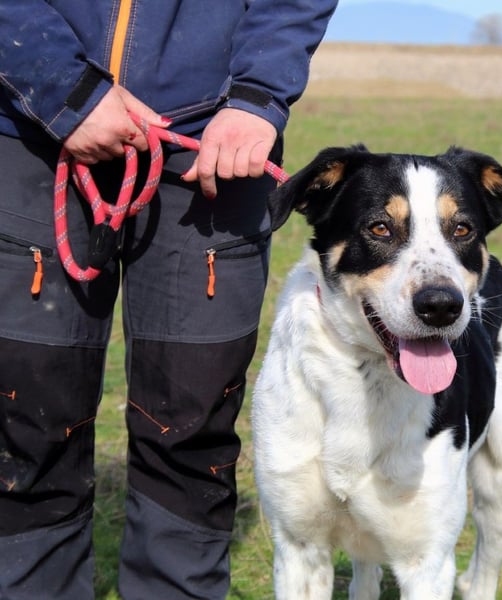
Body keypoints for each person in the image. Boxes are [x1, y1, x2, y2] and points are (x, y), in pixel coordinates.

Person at [0, 1, 337, 598]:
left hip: (217, 142)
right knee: (29, 417)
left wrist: (258, 95)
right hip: (27, 124)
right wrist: (61, 86)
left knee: (191, 421)